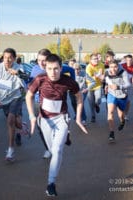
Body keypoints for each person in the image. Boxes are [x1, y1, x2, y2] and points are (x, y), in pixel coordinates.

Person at [25, 53, 88, 197]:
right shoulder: (40, 79)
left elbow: (78, 97)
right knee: (53, 151)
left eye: (56, 69)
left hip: (61, 118)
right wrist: (32, 117)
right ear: (45, 68)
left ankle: (51, 183)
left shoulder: (68, 81)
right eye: (49, 69)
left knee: (58, 150)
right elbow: (28, 96)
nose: (53, 72)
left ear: (61, 68)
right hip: (45, 120)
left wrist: (78, 118)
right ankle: (65, 137)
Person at [105, 60, 131, 142]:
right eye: (111, 67)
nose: (113, 69)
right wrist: (106, 86)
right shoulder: (107, 72)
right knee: (110, 112)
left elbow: (128, 84)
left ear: (118, 66)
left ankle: (122, 121)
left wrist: (119, 86)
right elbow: (107, 81)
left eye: (115, 67)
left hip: (121, 95)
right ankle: (111, 133)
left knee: (121, 115)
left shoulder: (123, 72)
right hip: (111, 94)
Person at [86, 53, 105, 123]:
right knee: (91, 103)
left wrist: (102, 77)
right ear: (90, 60)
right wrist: (97, 75)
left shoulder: (101, 65)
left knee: (98, 99)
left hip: (98, 86)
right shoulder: (88, 67)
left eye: (97, 58)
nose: (96, 60)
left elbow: (103, 75)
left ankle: (97, 105)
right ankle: (93, 116)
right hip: (90, 86)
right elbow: (89, 79)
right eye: (94, 59)